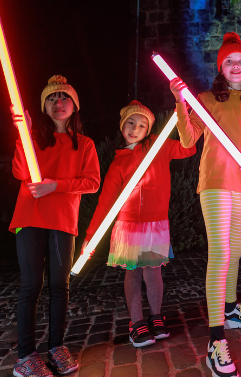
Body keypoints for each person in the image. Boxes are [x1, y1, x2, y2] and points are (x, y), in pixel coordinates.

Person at [168, 32, 241, 377]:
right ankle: (216, 340)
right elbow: (187, 138)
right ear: (220, 66)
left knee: (236, 251)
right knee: (221, 253)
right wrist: (181, 101)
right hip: (214, 182)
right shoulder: (206, 98)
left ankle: (230, 308)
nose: (236, 66)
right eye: (229, 61)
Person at [82, 101, 196, 348]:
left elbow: (188, 149)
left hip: (155, 224)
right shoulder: (118, 162)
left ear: (149, 129)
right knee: (132, 274)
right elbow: (106, 202)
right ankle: (136, 322)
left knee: (154, 274)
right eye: (131, 123)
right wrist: (91, 235)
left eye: (142, 124)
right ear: (122, 127)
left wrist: (186, 114)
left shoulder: (160, 147)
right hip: (129, 225)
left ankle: (156, 316)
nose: (135, 128)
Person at [9, 75, 100, 377]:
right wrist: (23, 133)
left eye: (64, 98)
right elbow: (20, 171)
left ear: (75, 106)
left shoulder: (84, 144)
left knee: (60, 286)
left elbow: (92, 182)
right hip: (30, 218)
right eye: (52, 98)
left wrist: (56, 186)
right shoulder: (33, 138)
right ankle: (25, 356)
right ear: (44, 107)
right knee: (31, 285)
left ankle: (56, 346)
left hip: (62, 221)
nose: (58, 102)